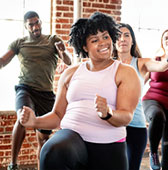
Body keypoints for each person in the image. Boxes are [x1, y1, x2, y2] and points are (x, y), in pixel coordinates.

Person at [19, 12, 141, 170]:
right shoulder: (70, 73)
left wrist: (108, 113)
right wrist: (35, 121)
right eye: (95, 40)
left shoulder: (125, 72)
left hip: (108, 146)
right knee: (51, 151)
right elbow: (57, 115)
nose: (103, 43)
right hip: (72, 139)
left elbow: (126, 116)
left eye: (106, 37)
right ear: (84, 46)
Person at [0, 11, 72, 170]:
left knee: (44, 138)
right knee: (23, 117)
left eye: (37, 22)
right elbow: (3, 61)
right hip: (25, 88)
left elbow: (68, 61)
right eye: (31, 24)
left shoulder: (52, 40)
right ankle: (13, 164)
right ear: (26, 26)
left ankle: (42, 167)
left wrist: (63, 51)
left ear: (41, 22)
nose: (35, 26)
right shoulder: (19, 43)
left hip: (46, 93)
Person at [113, 23, 168, 170]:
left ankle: (154, 155)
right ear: (113, 40)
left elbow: (161, 66)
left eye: (127, 35)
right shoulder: (107, 64)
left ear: (132, 41)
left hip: (135, 127)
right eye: (118, 35)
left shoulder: (141, 63)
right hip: (112, 124)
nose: (123, 39)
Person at [142, 29, 168, 170]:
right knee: (157, 115)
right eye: (166, 38)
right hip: (152, 100)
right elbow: (140, 80)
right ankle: (153, 153)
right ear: (162, 42)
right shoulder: (156, 60)